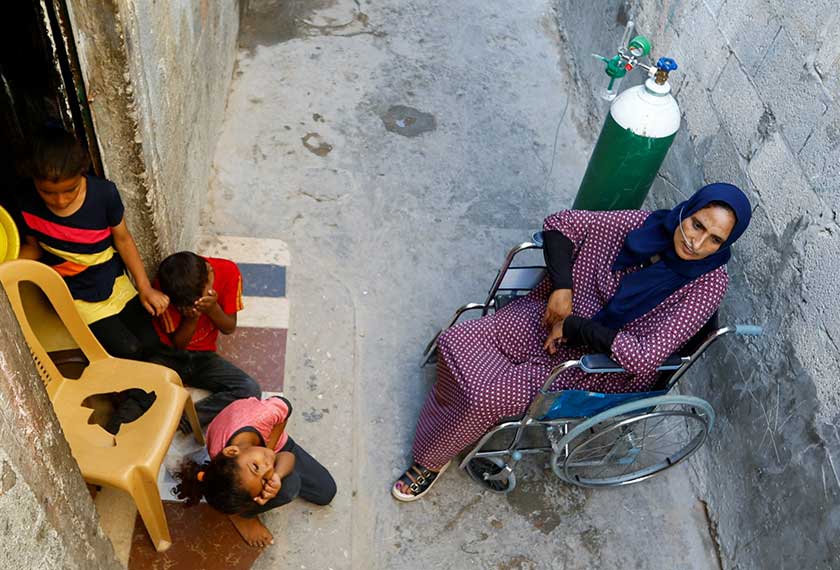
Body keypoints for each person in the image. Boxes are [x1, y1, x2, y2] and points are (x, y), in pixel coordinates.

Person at [392, 183, 752, 501]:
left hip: (592, 365)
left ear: (726, 244)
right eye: (697, 224)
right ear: (686, 211)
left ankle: (430, 458)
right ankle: (457, 413)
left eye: (715, 239)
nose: (697, 241)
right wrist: (562, 288)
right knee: (457, 340)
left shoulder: (707, 285)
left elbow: (643, 357)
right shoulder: (643, 224)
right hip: (548, 315)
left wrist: (576, 327)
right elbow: (561, 223)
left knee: (487, 396)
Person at [17, 128, 168, 359]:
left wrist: (144, 287)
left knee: (151, 342)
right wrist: (8, 260)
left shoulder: (104, 194)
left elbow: (123, 239)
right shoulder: (26, 202)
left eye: (70, 190)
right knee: (127, 350)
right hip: (74, 294)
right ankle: (136, 395)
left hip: (114, 280)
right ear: (34, 181)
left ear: (82, 174)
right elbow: (35, 248)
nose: (60, 200)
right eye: (47, 193)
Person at [173, 396, 336, 547]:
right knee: (290, 486)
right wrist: (277, 477)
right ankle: (242, 514)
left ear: (232, 451)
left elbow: (285, 406)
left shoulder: (264, 415)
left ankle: (239, 509)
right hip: (247, 445)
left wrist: (269, 448)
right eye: (265, 479)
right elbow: (285, 458)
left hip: (269, 437)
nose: (268, 467)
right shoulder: (227, 461)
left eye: (256, 467)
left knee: (326, 492)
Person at [151, 251, 261, 428]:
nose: (194, 304)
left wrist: (213, 309)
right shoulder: (165, 286)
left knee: (249, 389)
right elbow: (178, 345)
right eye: (187, 305)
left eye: (197, 299)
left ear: (209, 273)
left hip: (203, 357)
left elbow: (229, 327)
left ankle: (185, 420)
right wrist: (191, 319)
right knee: (141, 394)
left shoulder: (228, 272)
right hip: (168, 354)